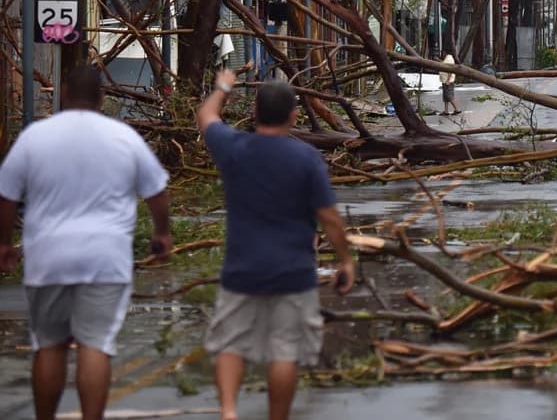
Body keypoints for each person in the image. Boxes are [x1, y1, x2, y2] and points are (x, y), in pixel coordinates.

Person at [0, 65, 172, 420]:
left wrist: (5, 243)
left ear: (63, 93)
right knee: (96, 344)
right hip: (104, 257)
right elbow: (156, 190)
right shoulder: (123, 137)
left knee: (48, 345)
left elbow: (6, 195)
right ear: (102, 98)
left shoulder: (35, 137)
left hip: (47, 255)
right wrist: (162, 233)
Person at [196, 69, 355, 420]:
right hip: (293, 271)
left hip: (242, 268)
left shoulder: (234, 147)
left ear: (254, 114)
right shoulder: (306, 159)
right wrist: (345, 259)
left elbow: (206, 115)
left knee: (230, 342)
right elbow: (328, 216)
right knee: (284, 351)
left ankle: (227, 412)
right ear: (294, 116)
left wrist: (223, 86)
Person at [438, 50, 462, 116]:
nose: (441, 54)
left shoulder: (449, 58)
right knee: (445, 97)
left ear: (445, 52)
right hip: (445, 80)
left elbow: (450, 70)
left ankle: (457, 109)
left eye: (442, 53)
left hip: (448, 81)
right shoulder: (447, 58)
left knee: (449, 96)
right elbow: (444, 64)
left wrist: (448, 80)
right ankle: (446, 111)